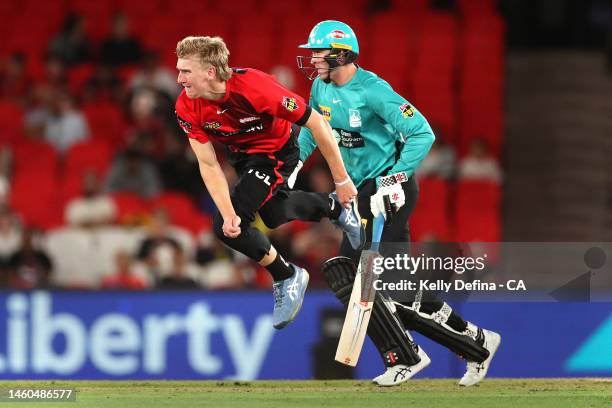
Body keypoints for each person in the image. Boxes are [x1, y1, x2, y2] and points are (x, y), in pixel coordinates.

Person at [294, 20, 501, 386]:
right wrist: (295, 162)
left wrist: (395, 179)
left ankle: (406, 357)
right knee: (385, 286)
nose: (312, 60)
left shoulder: (374, 91)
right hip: (359, 195)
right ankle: (477, 343)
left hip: (388, 190)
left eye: (318, 52)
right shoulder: (319, 87)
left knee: (361, 282)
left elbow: (423, 132)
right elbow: (315, 131)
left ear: (341, 54)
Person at [173, 36, 361, 329]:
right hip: (242, 156)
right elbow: (208, 163)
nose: (179, 78)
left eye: (185, 71)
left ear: (210, 72)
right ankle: (334, 209)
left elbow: (316, 123)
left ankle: (286, 275)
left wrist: (342, 179)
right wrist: (227, 209)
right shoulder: (187, 106)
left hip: (276, 153)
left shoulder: (257, 89)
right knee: (273, 214)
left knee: (225, 229)